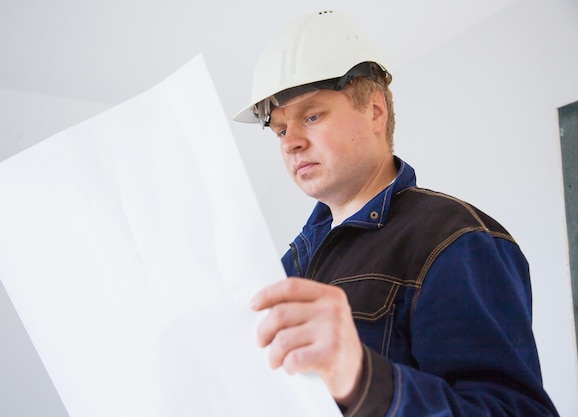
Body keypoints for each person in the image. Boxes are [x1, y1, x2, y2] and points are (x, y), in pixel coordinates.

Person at [233, 10, 559, 417]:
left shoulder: (455, 241)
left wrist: (362, 377)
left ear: (374, 112)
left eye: (311, 116)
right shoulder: (285, 267)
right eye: (280, 129)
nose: (290, 142)